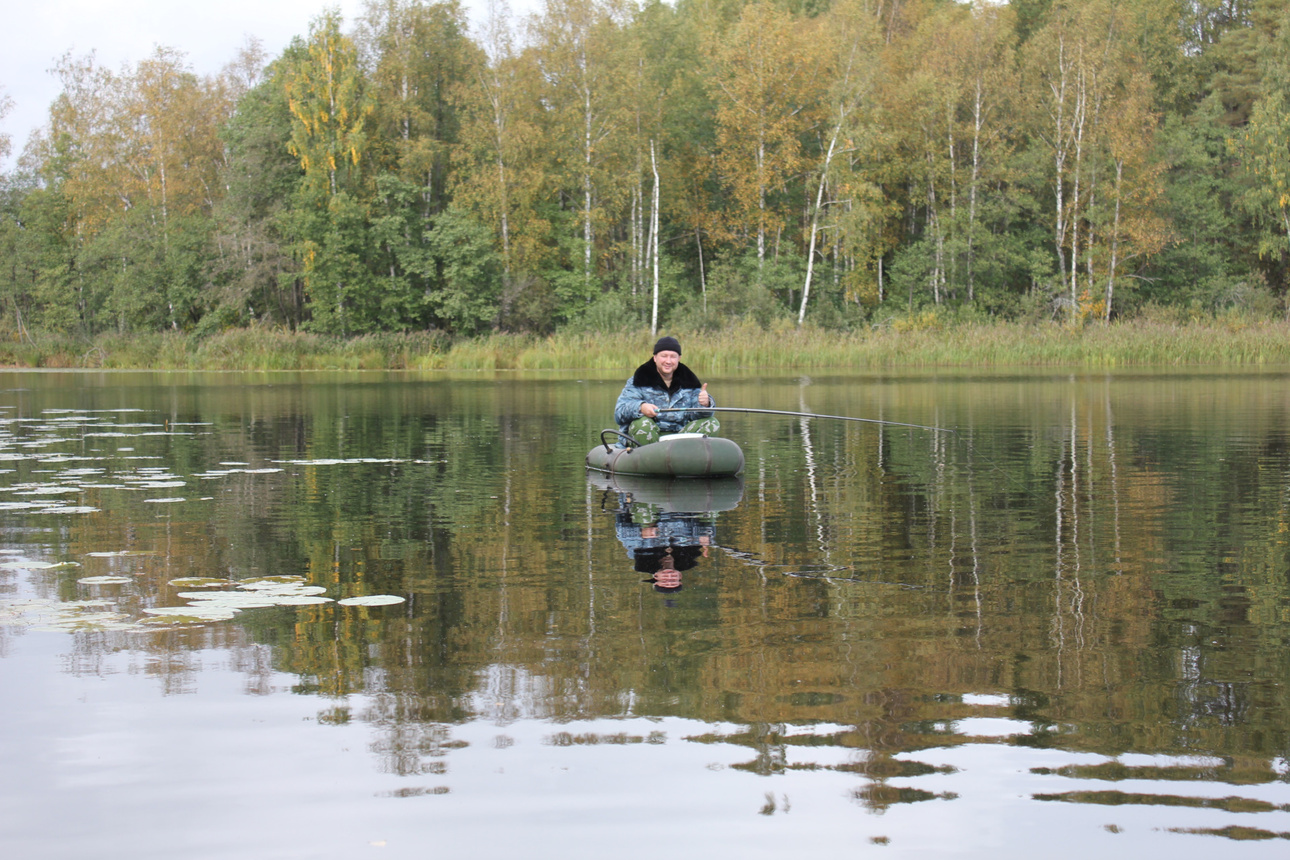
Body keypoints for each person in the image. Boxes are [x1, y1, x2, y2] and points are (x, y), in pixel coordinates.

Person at [613, 336, 720, 446]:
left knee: (712, 423)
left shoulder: (689, 381)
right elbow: (619, 413)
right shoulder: (639, 380)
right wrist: (641, 407)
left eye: (673, 357)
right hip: (648, 437)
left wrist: (705, 404)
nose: (668, 361)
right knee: (642, 424)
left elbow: (696, 415)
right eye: (664, 356)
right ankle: (651, 459)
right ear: (655, 358)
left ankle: (682, 458)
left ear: (679, 358)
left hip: (678, 439)